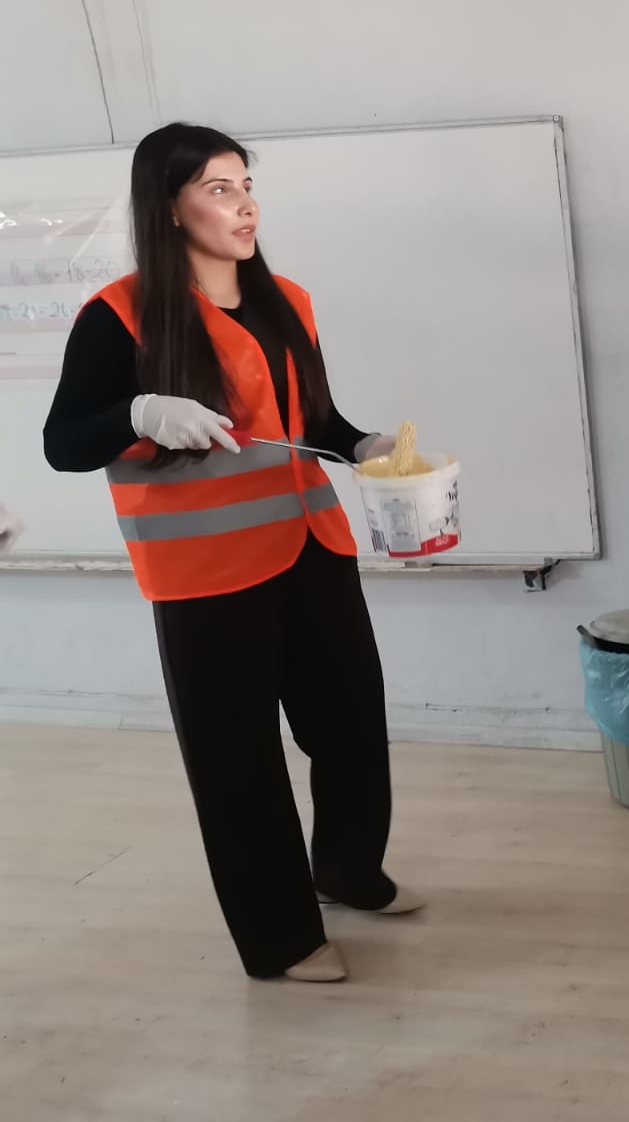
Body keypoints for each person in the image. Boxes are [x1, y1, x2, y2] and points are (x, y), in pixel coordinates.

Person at [42, 123, 421, 983]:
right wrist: (138, 412)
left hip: (312, 546)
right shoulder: (118, 316)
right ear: (170, 207)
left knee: (352, 725)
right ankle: (282, 941)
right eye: (218, 188)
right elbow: (64, 443)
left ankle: (348, 870)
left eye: (246, 184)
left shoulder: (288, 300)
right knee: (237, 760)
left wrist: (362, 447)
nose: (244, 204)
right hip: (204, 574)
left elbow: (311, 421)